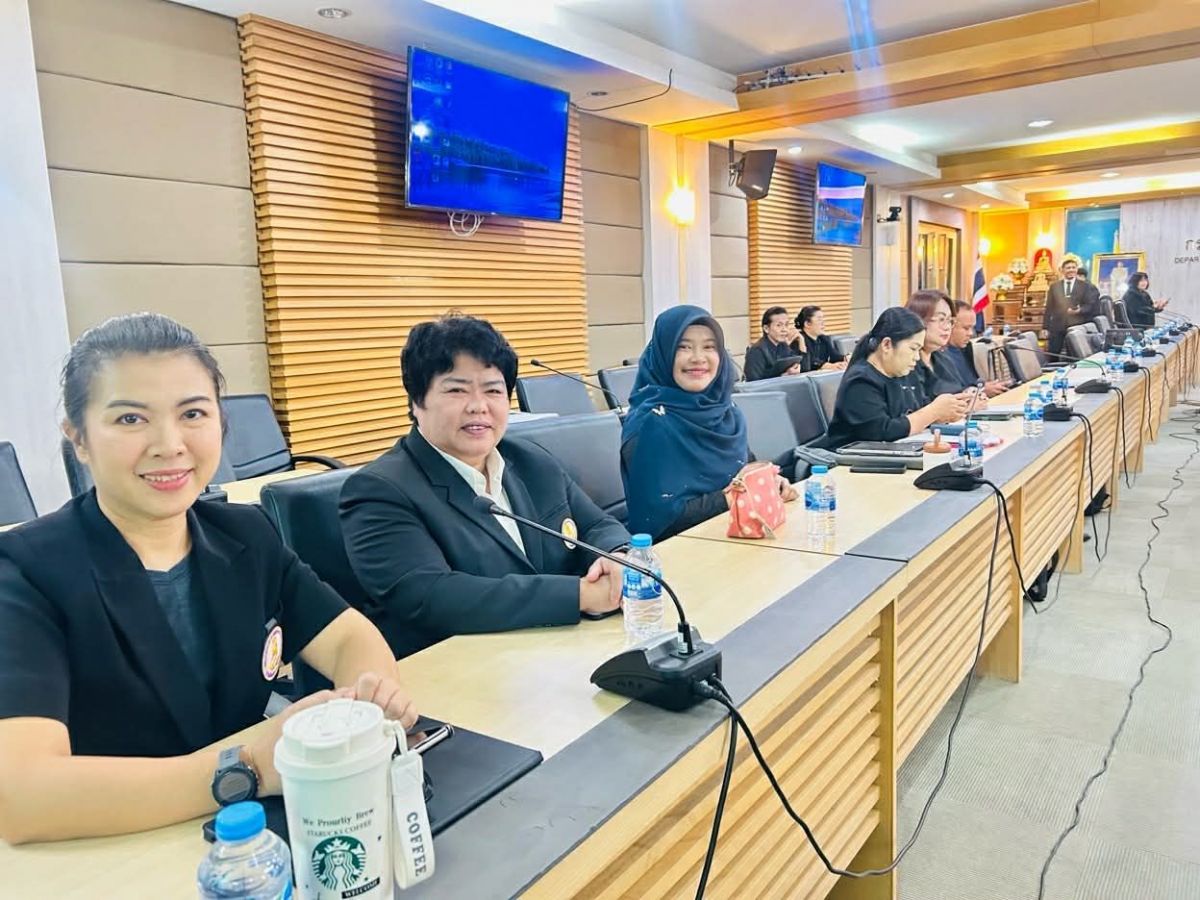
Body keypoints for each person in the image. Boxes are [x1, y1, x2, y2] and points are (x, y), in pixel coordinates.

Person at [0, 314, 417, 845]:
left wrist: (364, 708)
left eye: (192, 413)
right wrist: (245, 767)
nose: (169, 444)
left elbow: (347, 637)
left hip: (253, 839)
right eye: (130, 419)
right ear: (78, 438)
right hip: (114, 850)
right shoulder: (25, 571)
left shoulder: (244, 533)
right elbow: (22, 797)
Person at [339, 315, 630, 660]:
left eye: (493, 390)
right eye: (457, 390)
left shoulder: (529, 460)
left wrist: (617, 557)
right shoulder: (378, 491)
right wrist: (579, 595)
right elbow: (432, 596)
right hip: (460, 671)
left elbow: (597, 524)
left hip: (555, 655)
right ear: (417, 402)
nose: (479, 406)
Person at [621, 305, 797, 542]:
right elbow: (659, 521)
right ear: (663, 354)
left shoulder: (726, 412)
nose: (698, 358)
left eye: (709, 347)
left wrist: (769, 483)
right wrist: (732, 496)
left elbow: (746, 470)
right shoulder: (650, 425)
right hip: (682, 551)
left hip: (739, 537)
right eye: (683, 347)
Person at [822, 308, 971, 450]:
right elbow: (882, 432)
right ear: (887, 345)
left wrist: (946, 412)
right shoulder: (861, 381)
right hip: (853, 461)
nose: (917, 357)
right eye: (913, 349)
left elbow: (918, 409)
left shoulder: (904, 374)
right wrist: (933, 412)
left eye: (919, 350)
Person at [905, 290, 987, 408]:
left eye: (950, 321)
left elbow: (957, 391)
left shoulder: (943, 358)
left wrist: (969, 395)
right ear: (919, 320)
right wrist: (964, 408)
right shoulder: (906, 364)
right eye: (941, 319)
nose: (947, 327)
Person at [943, 300, 1010, 397]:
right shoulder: (940, 356)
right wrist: (981, 391)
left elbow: (972, 382)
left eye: (973, 328)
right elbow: (954, 393)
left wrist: (986, 386)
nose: (971, 333)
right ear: (950, 325)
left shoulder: (966, 349)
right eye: (966, 328)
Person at [1043, 257, 1100, 356]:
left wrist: (1079, 310)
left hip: (1077, 325)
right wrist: (1045, 327)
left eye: (1073, 267)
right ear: (1062, 270)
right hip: (1057, 326)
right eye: (1068, 268)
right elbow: (1049, 307)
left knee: (1074, 354)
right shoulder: (1054, 286)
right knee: (1053, 354)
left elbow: (1089, 305)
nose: (1071, 270)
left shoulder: (1085, 286)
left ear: (1077, 269)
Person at [744, 306, 805, 381]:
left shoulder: (783, 346)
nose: (784, 329)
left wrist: (802, 341)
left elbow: (805, 369)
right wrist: (783, 377)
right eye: (779, 325)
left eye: (786, 325)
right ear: (766, 328)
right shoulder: (756, 351)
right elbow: (753, 383)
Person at [793, 305, 847, 370]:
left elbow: (835, 356)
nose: (823, 323)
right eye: (819, 319)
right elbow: (808, 362)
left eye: (823, 319)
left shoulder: (823, 338)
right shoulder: (798, 340)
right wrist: (826, 365)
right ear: (807, 324)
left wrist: (846, 358)